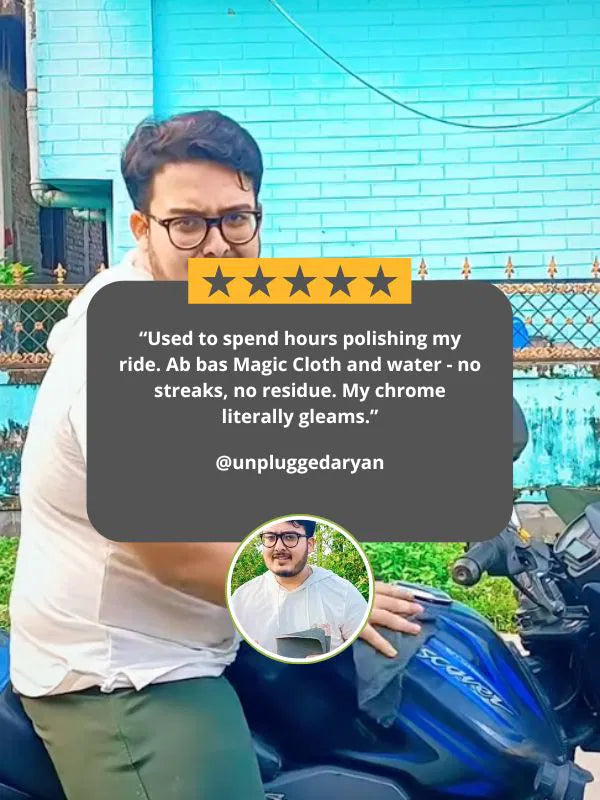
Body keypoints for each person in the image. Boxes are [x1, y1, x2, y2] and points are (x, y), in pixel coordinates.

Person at [9, 109, 424, 800]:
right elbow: (173, 552)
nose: (217, 246)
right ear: (142, 227)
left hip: (201, 633)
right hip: (126, 671)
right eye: (187, 224)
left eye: (235, 219)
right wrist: (329, 599)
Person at [231, 519, 369, 657]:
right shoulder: (242, 599)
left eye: (290, 537)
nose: (278, 547)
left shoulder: (343, 594)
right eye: (270, 537)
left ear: (310, 545)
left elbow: (368, 657)